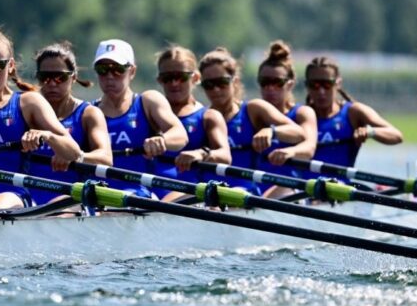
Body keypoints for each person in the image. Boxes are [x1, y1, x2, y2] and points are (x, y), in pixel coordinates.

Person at [0, 29, 81, 210]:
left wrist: (47, 136)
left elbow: (73, 153)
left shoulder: (28, 102)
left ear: (11, 66)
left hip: (10, 195)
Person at [198, 47, 305, 194]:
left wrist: (272, 131)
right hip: (208, 194)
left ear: (234, 81)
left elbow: (298, 132)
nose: (216, 90)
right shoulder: (201, 117)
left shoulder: (253, 109)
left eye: (221, 82)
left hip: (245, 192)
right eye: (209, 85)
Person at [93, 39, 188, 197]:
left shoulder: (148, 101)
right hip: (101, 195)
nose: (109, 76)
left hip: (142, 193)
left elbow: (180, 134)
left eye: (117, 69)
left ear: (132, 71)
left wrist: (162, 140)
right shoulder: (89, 111)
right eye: (102, 69)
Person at [26, 42, 113, 205]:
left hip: (71, 197)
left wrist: (77, 157)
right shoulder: (26, 110)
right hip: (28, 197)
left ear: (73, 77)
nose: (52, 84)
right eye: (45, 77)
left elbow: (106, 158)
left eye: (60, 77)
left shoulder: (89, 114)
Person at [154, 44, 231, 202]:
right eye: (168, 78)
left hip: (189, 195)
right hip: (150, 192)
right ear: (159, 80)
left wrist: (201, 153)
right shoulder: (149, 113)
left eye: (181, 77)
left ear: (195, 78)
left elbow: (225, 155)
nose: (174, 83)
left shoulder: (209, 117)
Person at [304, 56, 403, 173]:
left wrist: (370, 132)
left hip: (340, 187)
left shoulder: (353, 112)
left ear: (338, 83)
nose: (321, 91)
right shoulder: (301, 115)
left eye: (327, 84)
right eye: (314, 85)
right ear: (307, 85)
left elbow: (396, 135)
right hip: (303, 188)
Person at [255, 40, 317, 197]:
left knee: (277, 194)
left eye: (277, 83)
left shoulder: (302, 113)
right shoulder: (252, 112)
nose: (270, 88)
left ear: (290, 84)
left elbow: (309, 148)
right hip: (254, 187)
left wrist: (290, 152)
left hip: (289, 186)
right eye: (265, 82)